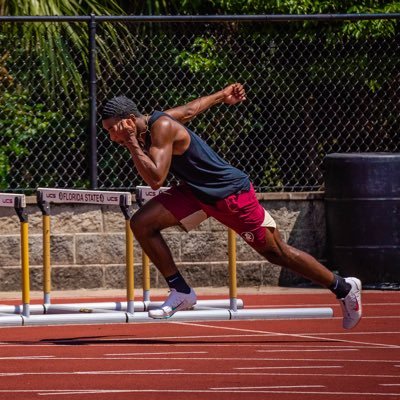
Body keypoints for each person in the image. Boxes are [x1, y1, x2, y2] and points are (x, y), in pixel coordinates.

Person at [101, 83, 362, 329]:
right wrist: (222, 95)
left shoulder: (160, 128)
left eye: (112, 129)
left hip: (229, 194)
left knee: (276, 253)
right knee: (142, 223)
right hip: (196, 192)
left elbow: (156, 180)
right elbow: (191, 110)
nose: (111, 137)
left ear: (129, 119)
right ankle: (180, 290)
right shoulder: (154, 123)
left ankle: (343, 287)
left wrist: (132, 143)